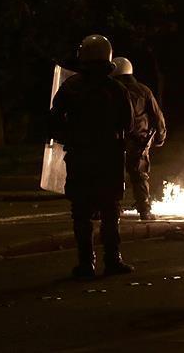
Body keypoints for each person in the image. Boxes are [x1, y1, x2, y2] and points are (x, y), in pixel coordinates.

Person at [49, 35, 135, 278]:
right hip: (109, 158)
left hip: (80, 157)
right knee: (110, 211)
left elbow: (53, 122)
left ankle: (86, 263)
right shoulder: (116, 89)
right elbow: (127, 124)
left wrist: (72, 138)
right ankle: (112, 260)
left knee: (81, 213)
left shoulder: (70, 87)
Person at [111, 57, 166, 221]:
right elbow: (157, 116)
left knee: (113, 175)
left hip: (115, 141)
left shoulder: (110, 90)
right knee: (140, 176)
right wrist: (160, 137)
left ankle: (112, 210)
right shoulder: (143, 90)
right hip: (139, 141)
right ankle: (144, 211)